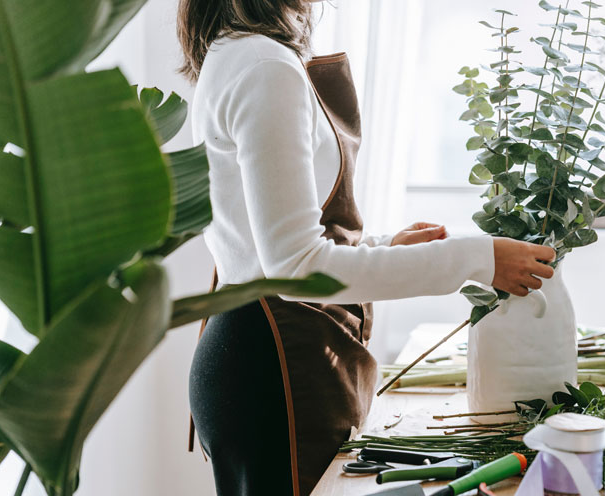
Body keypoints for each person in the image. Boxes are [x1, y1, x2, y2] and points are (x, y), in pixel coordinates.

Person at [178, 1, 556, 494]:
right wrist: (476, 260)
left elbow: (261, 243)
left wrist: (384, 245)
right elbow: (296, 269)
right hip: (274, 366)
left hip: (249, 352)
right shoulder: (266, 67)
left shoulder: (233, 52)